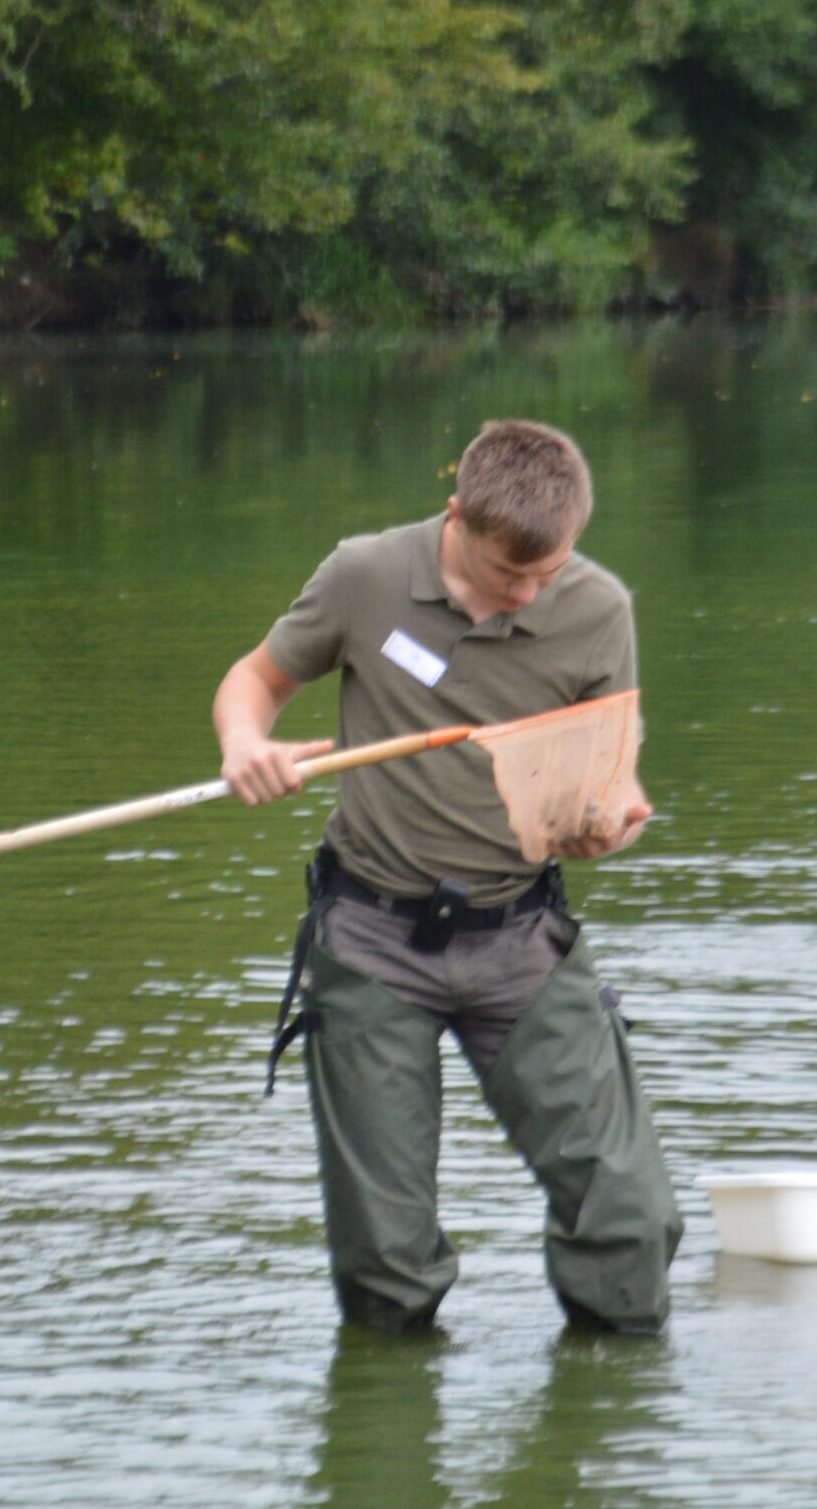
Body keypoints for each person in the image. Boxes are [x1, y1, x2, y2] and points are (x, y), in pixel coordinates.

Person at [215, 419, 680, 1333]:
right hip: (372, 941)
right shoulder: (366, 575)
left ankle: (602, 1435)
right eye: (513, 572)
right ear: (457, 515)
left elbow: (612, 777)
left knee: (627, 1218)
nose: (532, 591)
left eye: (552, 570)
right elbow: (256, 680)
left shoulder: (599, 611)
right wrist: (244, 744)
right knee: (384, 1264)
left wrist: (610, 829)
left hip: (520, 940)